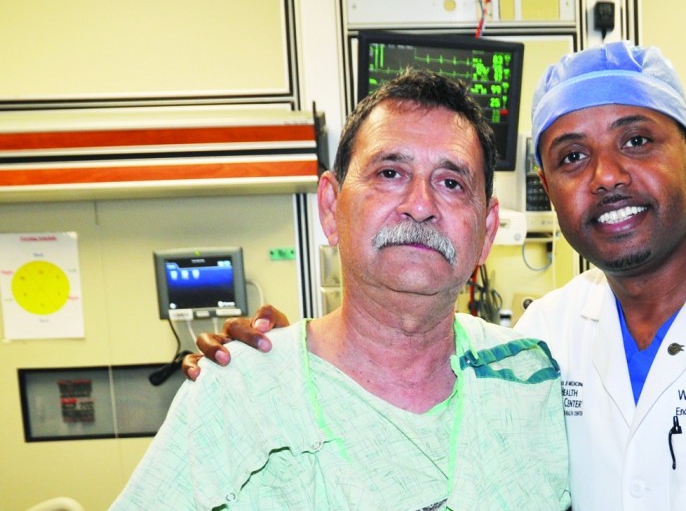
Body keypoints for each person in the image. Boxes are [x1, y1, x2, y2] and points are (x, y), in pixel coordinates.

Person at [187, 43, 686, 509]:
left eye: (639, 140)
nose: (608, 175)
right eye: (572, 157)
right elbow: (395, 363)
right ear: (547, 192)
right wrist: (265, 354)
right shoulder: (539, 345)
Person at [114, 70, 570, 510]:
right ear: (331, 208)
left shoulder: (529, 379)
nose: (419, 205)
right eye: (390, 173)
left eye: (451, 183)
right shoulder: (239, 393)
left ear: (487, 231)